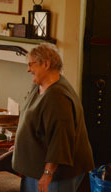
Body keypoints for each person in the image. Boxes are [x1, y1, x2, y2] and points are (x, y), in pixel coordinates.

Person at [12, 43, 95, 192]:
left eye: (31, 64)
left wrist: (48, 173)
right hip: (35, 168)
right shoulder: (39, 86)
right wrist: (21, 145)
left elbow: (60, 140)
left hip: (56, 174)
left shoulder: (58, 97)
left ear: (46, 64)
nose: (28, 69)